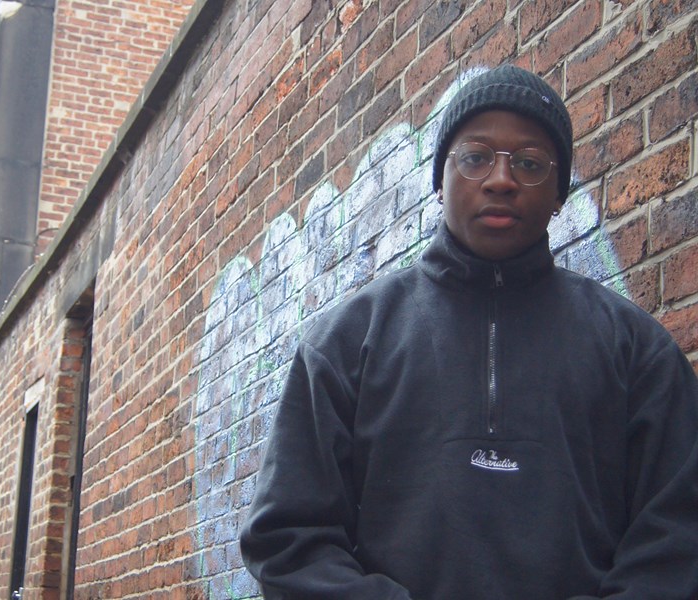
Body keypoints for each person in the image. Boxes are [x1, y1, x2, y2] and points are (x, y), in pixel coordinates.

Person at [239, 65, 698, 599]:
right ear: (440, 181)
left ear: (557, 195)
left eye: (529, 163)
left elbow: (678, 537)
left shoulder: (635, 350)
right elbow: (288, 540)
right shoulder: (347, 343)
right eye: (475, 157)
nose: (501, 179)